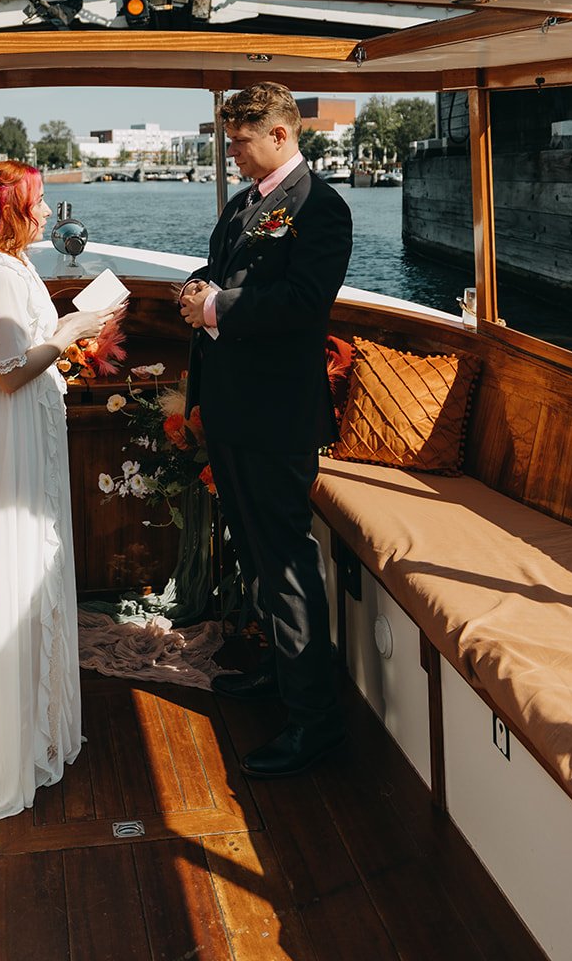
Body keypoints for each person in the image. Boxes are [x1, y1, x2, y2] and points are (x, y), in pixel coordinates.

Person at [0, 160, 119, 819]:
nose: (44, 215)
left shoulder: (4, 270)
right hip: (7, 431)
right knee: (15, 571)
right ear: (10, 212)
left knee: (23, 568)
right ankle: (14, 745)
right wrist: (68, 333)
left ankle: (31, 726)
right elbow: (8, 372)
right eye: (37, 204)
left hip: (8, 430)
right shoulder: (0, 277)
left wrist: (62, 331)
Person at [180, 83, 352, 778]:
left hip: (274, 415)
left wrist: (218, 304)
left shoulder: (320, 207)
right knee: (254, 555)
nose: (232, 151)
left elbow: (305, 301)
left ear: (279, 135)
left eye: (240, 141)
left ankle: (314, 722)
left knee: (284, 565)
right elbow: (226, 271)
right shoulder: (245, 201)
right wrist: (198, 288)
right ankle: (279, 677)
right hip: (231, 408)